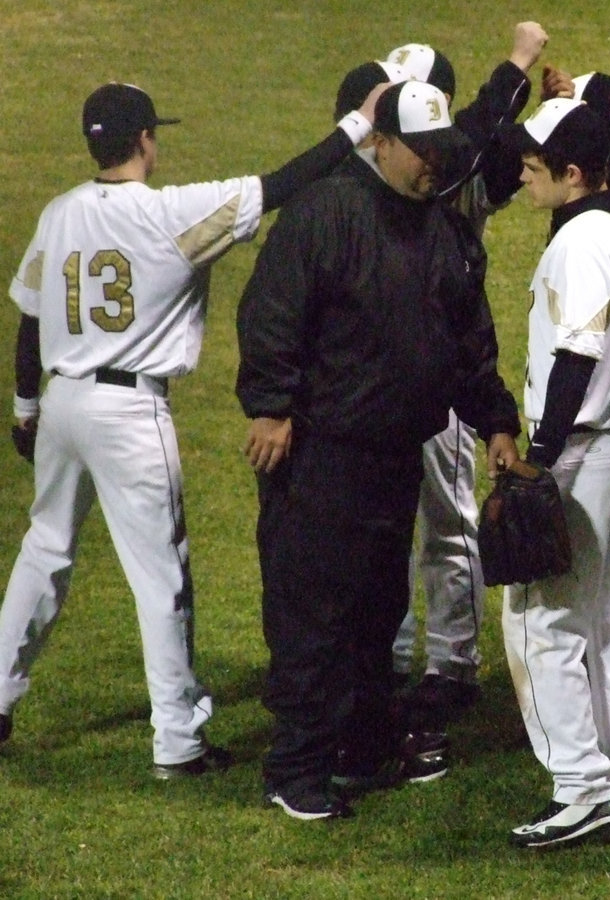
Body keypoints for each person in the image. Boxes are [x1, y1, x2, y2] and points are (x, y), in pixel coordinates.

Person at [0, 79, 386, 777]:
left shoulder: (59, 213)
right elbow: (281, 186)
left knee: (44, 548)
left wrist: (25, 407)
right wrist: (359, 127)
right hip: (128, 414)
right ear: (146, 139)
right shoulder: (170, 214)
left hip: (62, 403)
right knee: (160, 577)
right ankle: (178, 738)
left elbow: (31, 319)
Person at [235, 80, 521, 821]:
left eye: (440, 152)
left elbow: (466, 339)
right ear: (381, 143)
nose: (433, 165)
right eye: (420, 151)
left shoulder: (440, 227)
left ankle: (360, 747)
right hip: (322, 453)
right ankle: (294, 769)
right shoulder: (327, 211)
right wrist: (269, 405)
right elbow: (270, 311)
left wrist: (494, 417)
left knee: (376, 609)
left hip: (394, 452)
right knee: (313, 614)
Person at [501, 97, 610, 848]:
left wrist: (539, 460)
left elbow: (578, 353)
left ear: (573, 172)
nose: (524, 173)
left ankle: (581, 786)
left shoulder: (581, 244)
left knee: (541, 620)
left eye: (536, 166)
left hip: (583, 450)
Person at [380, 27, 545, 728]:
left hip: (449, 370)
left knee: (447, 523)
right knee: (385, 521)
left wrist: (521, 69)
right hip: (386, 374)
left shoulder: (461, 169)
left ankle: (450, 664)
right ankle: (391, 651)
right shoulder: (387, 166)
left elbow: (502, 139)